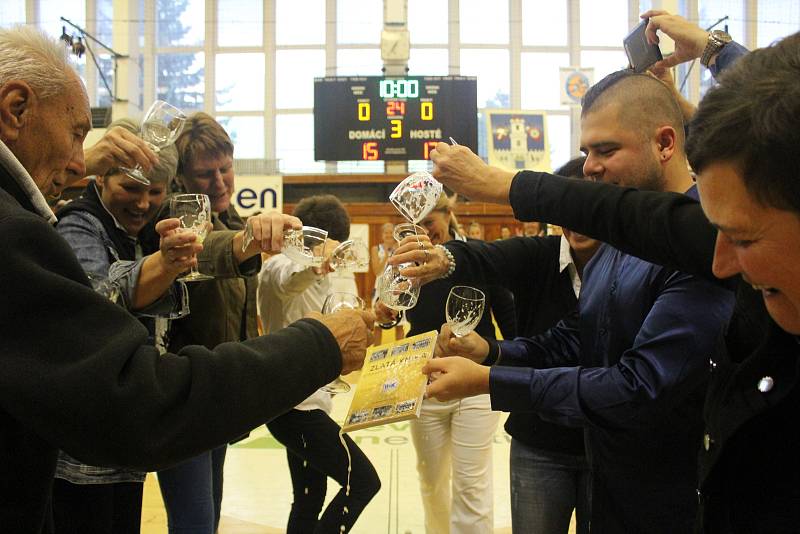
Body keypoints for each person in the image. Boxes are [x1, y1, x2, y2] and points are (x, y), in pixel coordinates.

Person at [429, 16, 800, 532]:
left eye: (606, 151)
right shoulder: (619, 244)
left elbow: (640, 387)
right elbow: (582, 332)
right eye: (585, 152)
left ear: (667, 144)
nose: (590, 168)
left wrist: (493, 382)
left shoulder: (689, 249)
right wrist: (493, 352)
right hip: (610, 493)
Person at [0, 26, 374, 533]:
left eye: (226, 169)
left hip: (189, 411)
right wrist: (315, 343)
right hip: (160, 413)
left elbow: (211, 249)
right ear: (15, 109)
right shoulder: (59, 227)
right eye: (76, 136)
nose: (75, 162)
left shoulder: (184, 227)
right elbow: (127, 296)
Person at [396, 156, 597, 534]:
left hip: (605, 439)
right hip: (534, 435)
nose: (578, 220)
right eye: (567, 209)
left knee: (472, 482)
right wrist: (443, 259)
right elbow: (485, 259)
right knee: (432, 477)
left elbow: (534, 340)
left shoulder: (633, 265)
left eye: (587, 206)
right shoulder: (539, 255)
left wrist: (491, 361)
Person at [154, 111, 295, 533]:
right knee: (195, 524)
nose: (219, 182)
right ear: (180, 178)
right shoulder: (171, 222)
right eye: (204, 174)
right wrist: (246, 241)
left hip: (218, 393)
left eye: (225, 169)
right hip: (182, 397)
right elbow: (207, 249)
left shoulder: (231, 216)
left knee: (207, 518)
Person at [50, 118, 185, 533]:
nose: (143, 204)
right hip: (79, 453)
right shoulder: (79, 224)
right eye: (130, 188)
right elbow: (98, 298)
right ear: (100, 179)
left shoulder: (137, 232)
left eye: (154, 193)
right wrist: (166, 264)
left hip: (119, 441)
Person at [377, 193, 510, 534]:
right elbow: (392, 319)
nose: (423, 232)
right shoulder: (404, 263)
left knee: (472, 484)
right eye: (414, 225)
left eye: (428, 222)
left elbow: (510, 325)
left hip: (475, 383)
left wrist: (490, 354)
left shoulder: (480, 256)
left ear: (448, 213)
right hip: (426, 381)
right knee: (431, 479)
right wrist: (387, 313)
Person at [258, 195, 380, 533]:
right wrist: (315, 263)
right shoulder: (278, 267)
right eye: (321, 245)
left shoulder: (333, 275)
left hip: (314, 401)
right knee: (364, 482)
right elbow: (289, 280)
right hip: (294, 407)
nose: (330, 255)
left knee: (309, 497)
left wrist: (375, 317)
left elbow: (345, 324)